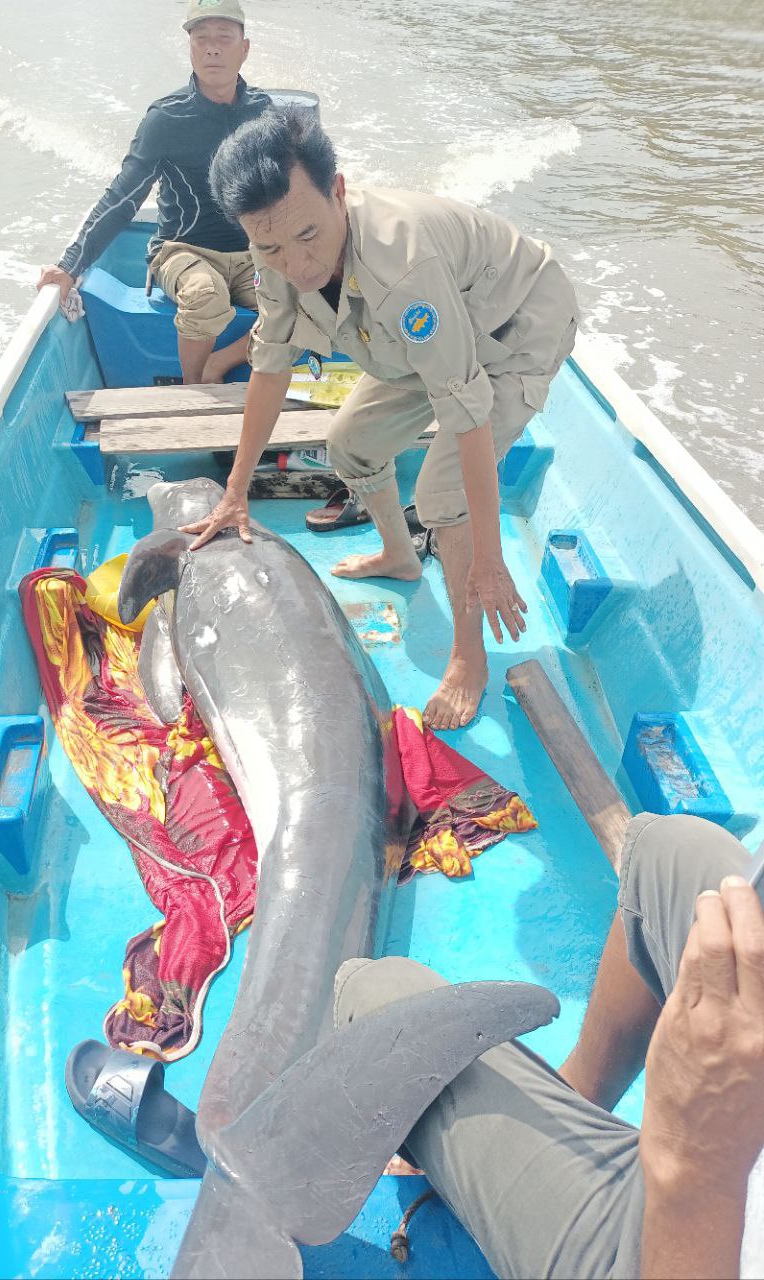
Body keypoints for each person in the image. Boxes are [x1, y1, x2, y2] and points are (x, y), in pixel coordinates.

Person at [181, 105, 579, 730]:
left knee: (440, 491)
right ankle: (400, 555)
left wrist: (489, 557)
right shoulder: (278, 249)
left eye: (308, 235)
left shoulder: (404, 270)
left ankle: (469, 655)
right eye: (271, 246)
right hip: (427, 340)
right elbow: (270, 365)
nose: (297, 264)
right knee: (351, 443)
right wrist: (235, 493)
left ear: (338, 192)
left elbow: (468, 411)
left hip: (514, 325)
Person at [335, 814, 764, 1279]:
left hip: (685, 1240)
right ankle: (577, 1092)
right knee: (667, 850)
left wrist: (692, 1156)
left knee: (375, 997)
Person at [36, 0, 269, 385]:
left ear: (244, 48)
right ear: (190, 49)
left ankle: (221, 363)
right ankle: (196, 391)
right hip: (182, 251)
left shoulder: (264, 112)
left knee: (307, 299)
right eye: (201, 38)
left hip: (251, 254)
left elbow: (291, 193)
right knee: (206, 295)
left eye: (224, 38)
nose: (212, 48)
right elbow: (124, 196)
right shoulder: (166, 117)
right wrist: (69, 265)